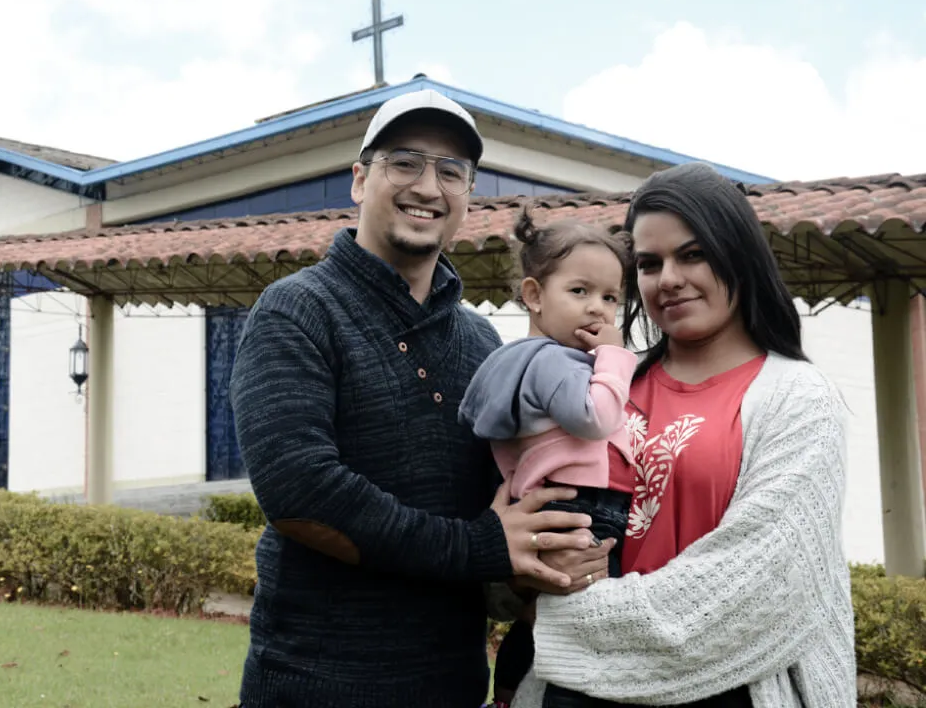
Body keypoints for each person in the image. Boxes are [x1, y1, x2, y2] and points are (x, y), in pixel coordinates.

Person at [228, 89, 599, 708]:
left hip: (451, 687)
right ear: (358, 180)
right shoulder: (297, 310)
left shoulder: (482, 341)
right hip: (314, 688)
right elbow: (300, 492)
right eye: (404, 162)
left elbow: (507, 490)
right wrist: (477, 546)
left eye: (451, 172)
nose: (428, 186)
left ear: (467, 198)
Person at [507, 162, 856, 708]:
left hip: (726, 689)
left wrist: (567, 620)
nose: (668, 278)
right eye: (649, 263)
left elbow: (757, 590)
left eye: (692, 254)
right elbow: (524, 507)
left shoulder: (798, 398)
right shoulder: (602, 382)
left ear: (738, 255)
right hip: (578, 692)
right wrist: (526, 559)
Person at [458, 207, 638, 707]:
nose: (598, 310)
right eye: (579, 292)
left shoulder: (514, 361)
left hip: (557, 502)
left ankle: (513, 690)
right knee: (593, 617)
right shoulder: (554, 363)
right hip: (585, 503)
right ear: (534, 295)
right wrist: (617, 358)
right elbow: (595, 418)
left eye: (610, 297)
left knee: (545, 615)